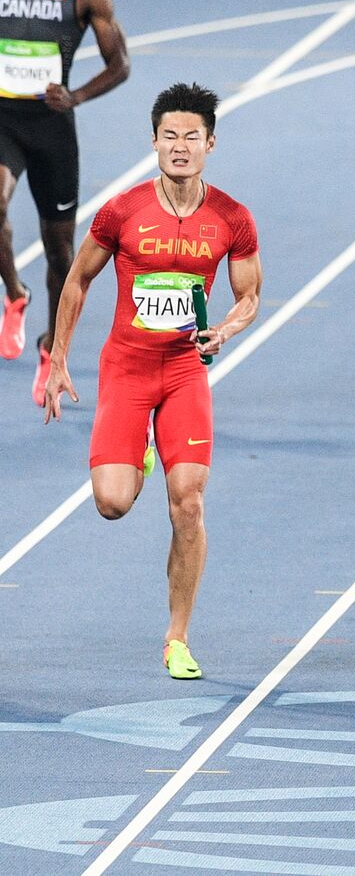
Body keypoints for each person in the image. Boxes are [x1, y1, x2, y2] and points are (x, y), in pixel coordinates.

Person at [43, 83, 262, 681]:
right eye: (170, 136)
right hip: (127, 369)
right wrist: (59, 356)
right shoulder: (122, 211)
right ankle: (136, 452)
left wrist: (228, 329)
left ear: (210, 144)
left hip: (185, 371)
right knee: (112, 503)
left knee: (188, 502)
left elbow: (250, 295)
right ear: (155, 142)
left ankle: (177, 637)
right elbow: (78, 278)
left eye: (192, 136)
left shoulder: (233, 218)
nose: (181, 147)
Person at [0, 0, 129, 403]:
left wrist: (76, 97)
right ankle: (15, 292)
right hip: (4, 125)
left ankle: (50, 345)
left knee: (61, 253)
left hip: (53, 132)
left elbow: (121, 65)